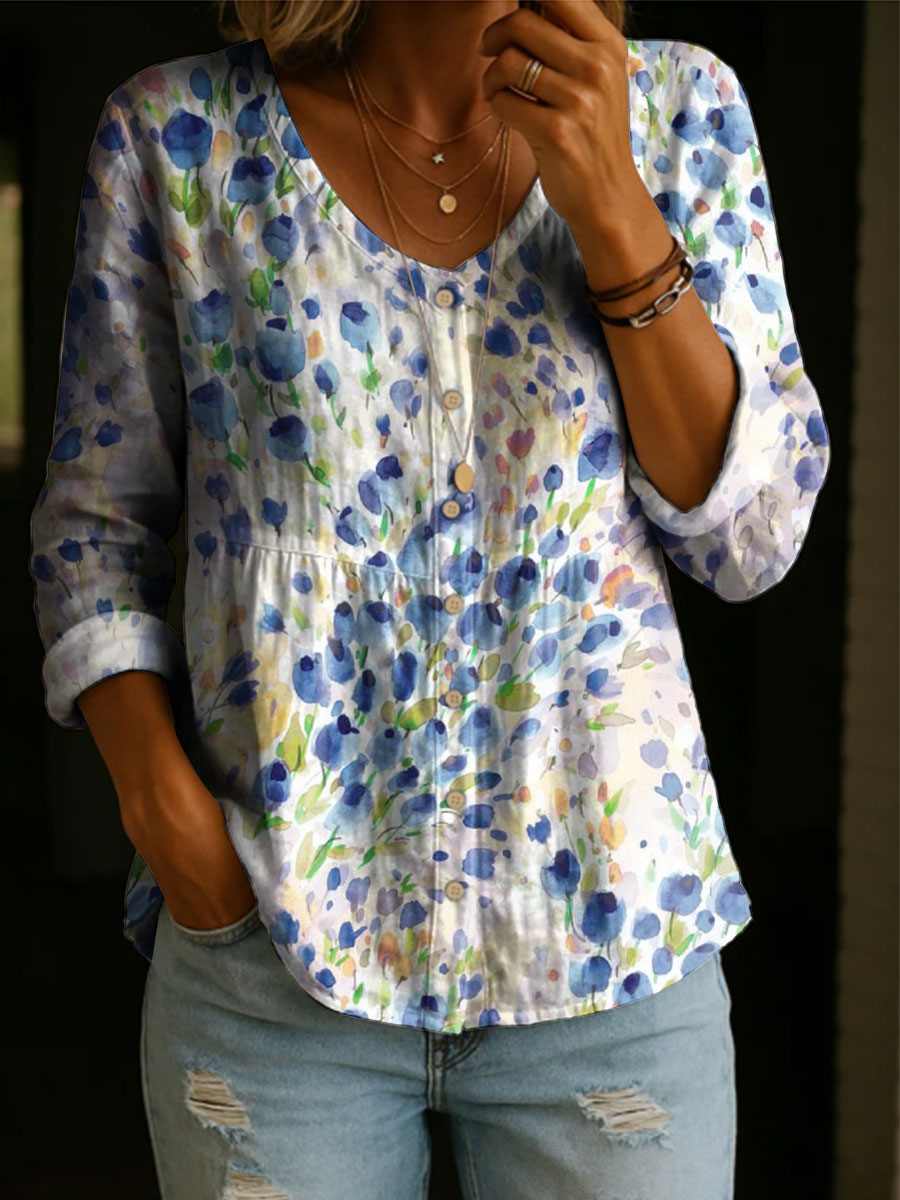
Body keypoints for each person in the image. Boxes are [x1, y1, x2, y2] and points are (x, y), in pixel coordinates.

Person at [27, 1, 831, 1196]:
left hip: (616, 947)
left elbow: (751, 542)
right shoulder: (176, 139)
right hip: (274, 955)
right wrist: (173, 828)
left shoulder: (680, 112)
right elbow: (98, 526)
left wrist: (612, 200)